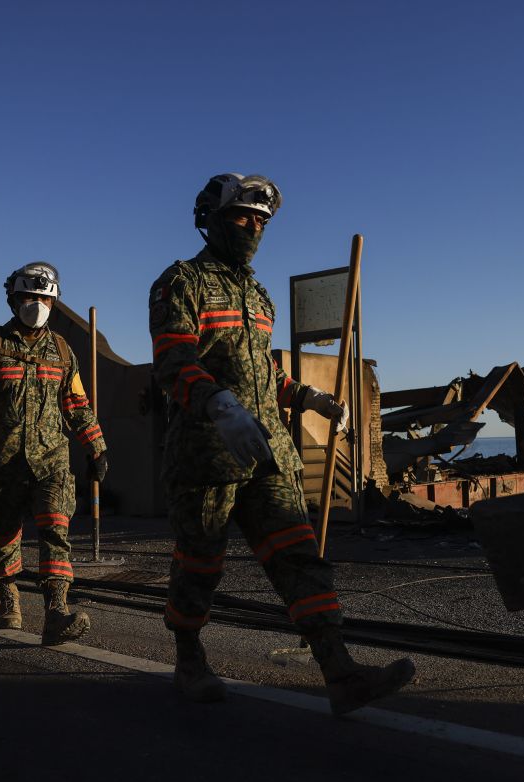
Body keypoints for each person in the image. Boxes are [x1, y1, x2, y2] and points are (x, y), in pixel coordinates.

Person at [147, 172, 414, 714]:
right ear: (212, 220)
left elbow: (261, 373)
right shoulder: (181, 283)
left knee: (298, 556)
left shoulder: (258, 294)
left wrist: (309, 397)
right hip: (206, 457)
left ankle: (339, 672)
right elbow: (175, 363)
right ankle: (189, 656)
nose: (255, 226)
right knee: (201, 564)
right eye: (245, 215)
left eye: (263, 219)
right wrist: (220, 405)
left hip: (266, 453)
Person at [0, 262, 108, 644]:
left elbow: (77, 404)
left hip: (50, 460)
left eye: (44, 298)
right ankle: (9, 595)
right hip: (0, 463)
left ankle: (56, 611)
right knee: (4, 535)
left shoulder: (63, 350)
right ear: (14, 299)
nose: (37, 304)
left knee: (55, 529)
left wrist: (96, 447)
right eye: (30, 297)